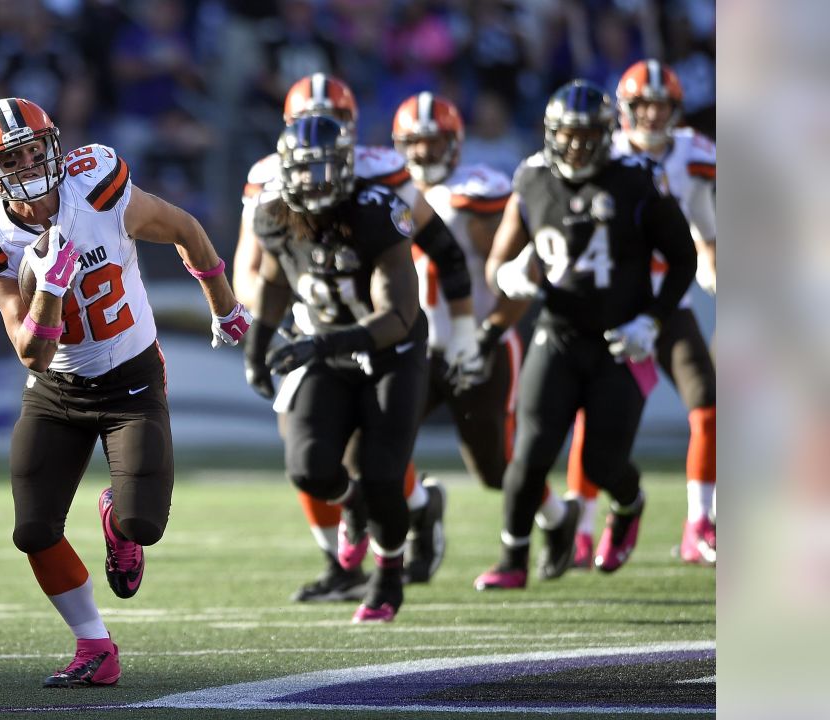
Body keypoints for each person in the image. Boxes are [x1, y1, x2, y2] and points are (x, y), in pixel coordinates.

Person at [0, 98, 249, 687]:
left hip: (130, 379)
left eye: (38, 147)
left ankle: (116, 521)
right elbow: (31, 351)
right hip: (55, 389)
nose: (34, 162)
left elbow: (185, 229)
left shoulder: (95, 187)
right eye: (16, 156)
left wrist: (226, 306)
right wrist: (50, 290)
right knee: (33, 531)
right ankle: (94, 645)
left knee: (144, 525)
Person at [233, 73, 457, 602]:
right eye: (301, 170)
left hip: (384, 345)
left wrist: (460, 330)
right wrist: (258, 341)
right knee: (309, 461)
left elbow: (403, 306)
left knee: (378, 467)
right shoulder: (271, 203)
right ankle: (342, 554)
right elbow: (262, 274)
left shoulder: (379, 198)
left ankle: (389, 563)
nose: (311, 182)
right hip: (315, 334)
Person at [476, 80, 697, 589]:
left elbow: (683, 257)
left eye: (586, 135)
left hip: (622, 339)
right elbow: (497, 265)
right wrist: (509, 277)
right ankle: (513, 559)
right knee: (530, 454)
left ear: (606, 134)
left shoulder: (637, 178)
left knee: (603, 461)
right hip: (557, 332)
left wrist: (653, 320)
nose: (575, 145)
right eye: (566, 135)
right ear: (551, 134)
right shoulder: (532, 177)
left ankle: (629, 503)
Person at [392, 92, 578, 582]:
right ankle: (420, 519)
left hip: (477, 343)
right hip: (415, 346)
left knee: (495, 468)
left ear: (454, 144)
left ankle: (558, 519)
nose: (424, 154)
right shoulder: (385, 191)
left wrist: (489, 333)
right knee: (382, 446)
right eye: (413, 143)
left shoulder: (475, 194)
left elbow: (521, 273)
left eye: (433, 143)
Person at [565, 59, 718, 567]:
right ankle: (581, 527)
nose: (652, 116)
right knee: (592, 422)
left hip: (665, 303)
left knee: (711, 404)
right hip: (612, 305)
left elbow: (708, 230)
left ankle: (701, 521)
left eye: (661, 106)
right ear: (625, 111)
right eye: (643, 105)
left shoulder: (696, 156)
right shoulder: (601, 154)